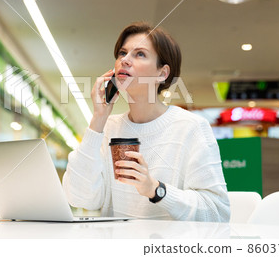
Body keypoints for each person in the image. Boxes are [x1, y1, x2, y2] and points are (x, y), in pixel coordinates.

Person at [62, 22, 230, 222]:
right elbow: (80, 198)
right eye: (122, 53)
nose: (125, 60)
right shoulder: (108, 127)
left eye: (139, 54)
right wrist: (98, 118)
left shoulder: (191, 127)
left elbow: (217, 212)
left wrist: (155, 189)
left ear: (162, 73)